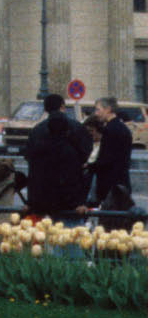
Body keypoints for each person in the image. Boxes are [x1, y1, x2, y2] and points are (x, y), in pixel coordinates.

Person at [23, 93, 94, 223]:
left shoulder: (36, 130)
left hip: (43, 195)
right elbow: (86, 154)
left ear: (45, 109)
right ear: (62, 106)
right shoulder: (76, 127)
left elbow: (30, 160)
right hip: (70, 196)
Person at [87, 96, 134, 227]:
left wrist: (90, 166)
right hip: (122, 182)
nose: (96, 113)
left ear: (108, 109)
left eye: (98, 110)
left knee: (109, 224)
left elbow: (106, 159)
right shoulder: (123, 128)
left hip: (111, 187)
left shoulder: (110, 130)